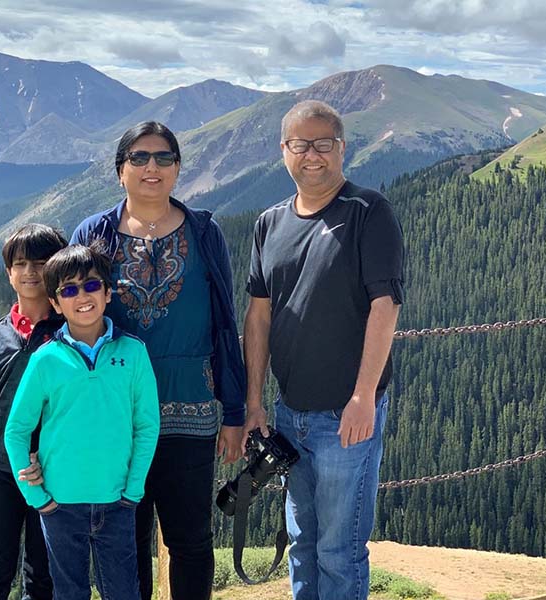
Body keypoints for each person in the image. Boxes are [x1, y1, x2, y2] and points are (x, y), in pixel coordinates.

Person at [70, 121, 247, 599]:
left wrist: (234, 411)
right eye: (140, 158)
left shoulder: (204, 232)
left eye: (164, 158)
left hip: (191, 408)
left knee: (191, 539)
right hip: (116, 415)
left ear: (178, 168)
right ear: (120, 171)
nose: (153, 167)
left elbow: (224, 324)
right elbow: (72, 326)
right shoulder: (94, 233)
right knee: (124, 540)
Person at [243, 100, 405, 600]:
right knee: (301, 543)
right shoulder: (269, 223)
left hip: (347, 416)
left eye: (323, 144)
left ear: (341, 148)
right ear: (283, 151)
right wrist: (254, 402)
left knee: (340, 550)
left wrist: (362, 398)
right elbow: (259, 315)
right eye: (300, 144)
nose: (311, 155)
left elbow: (386, 306)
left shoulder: (368, 211)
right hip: (290, 416)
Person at [4, 243, 160, 600]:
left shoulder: (133, 353)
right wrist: (37, 498)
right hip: (59, 507)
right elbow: (16, 430)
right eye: (69, 290)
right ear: (57, 304)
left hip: (118, 502)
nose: (82, 296)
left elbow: (147, 425)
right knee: (69, 593)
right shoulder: (45, 360)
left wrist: (133, 490)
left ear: (108, 293)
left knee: (123, 592)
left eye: (91, 285)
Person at [0, 223, 67, 600]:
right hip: (1, 472)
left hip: (54, 473)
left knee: (43, 577)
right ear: (8, 272)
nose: (30, 272)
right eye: (20, 263)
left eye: (41, 262)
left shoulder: (70, 334)